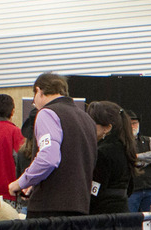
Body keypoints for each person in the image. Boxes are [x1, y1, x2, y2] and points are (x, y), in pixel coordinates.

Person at [8, 72, 98, 218]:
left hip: (49, 207)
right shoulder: (86, 118)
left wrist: (21, 182)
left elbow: (48, 158)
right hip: (79, 205)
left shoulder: (47, 113)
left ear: (38, 91)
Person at [86, 101, 136, 214]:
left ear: (107, 128)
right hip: (122, 210)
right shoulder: (125, 147)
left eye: (92, 123)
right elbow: (130, 188)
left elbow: (95, 190)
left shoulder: (103, 152)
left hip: (104, 215)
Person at [126, 110, 151, 213]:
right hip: (132, 190)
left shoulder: (148, 140)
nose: (133, 126)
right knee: (129, 221)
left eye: (135, 123)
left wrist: (138, 157)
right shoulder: (122, 142)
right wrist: (148, 160)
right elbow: (127, 159)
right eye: (130, 124)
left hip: (150, 187)